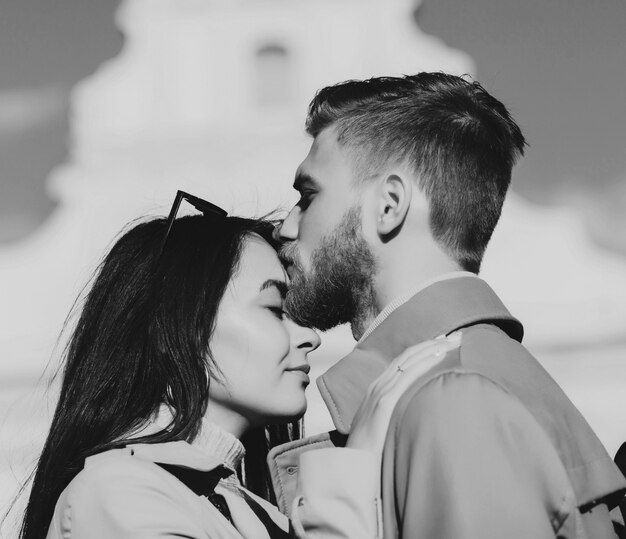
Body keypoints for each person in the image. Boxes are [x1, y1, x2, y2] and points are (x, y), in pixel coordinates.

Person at [270, 73, 626, 538]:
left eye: (307, 196)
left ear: (389, 205)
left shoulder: (450, 396)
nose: (286, 227)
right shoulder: (448, 381)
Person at [18, 191, 389, 539]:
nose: (310, 337)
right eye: (276, 310)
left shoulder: (242, 506)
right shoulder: (121, 493)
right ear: (181, 326)